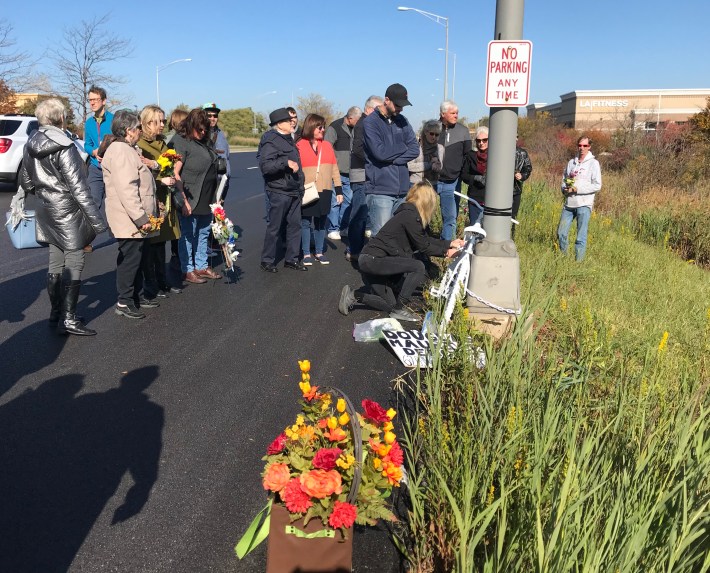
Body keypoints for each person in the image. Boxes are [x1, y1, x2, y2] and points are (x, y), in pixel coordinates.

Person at [18, 98, 107, 335]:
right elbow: (79, 188)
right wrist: (97, 222)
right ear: (60, 118)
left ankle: (56, 314)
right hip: (68, 211)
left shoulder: (30, 144)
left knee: (55, 260)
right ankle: (69, 319)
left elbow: (26, 182)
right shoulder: (65, 146)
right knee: (75, 260)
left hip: (46, 209)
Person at [338, 182, 464, 322]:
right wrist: (447, 252)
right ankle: (400, 309)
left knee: (390, 305)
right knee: (418, 266)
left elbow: (425, 240)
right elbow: (424, 246)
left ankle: (353, 296)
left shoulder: (409, 214)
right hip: (373, 261)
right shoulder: (409, 216)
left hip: (372, 262)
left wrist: (450, 243)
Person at [101, 110, 158, 319]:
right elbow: (127, 189)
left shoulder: (127, 149)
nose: (140, 132)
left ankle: (135, 296)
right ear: (128, 130)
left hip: (132, 218)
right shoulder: (121, 151)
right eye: (138, 128)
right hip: (128, 219)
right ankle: (124, 302)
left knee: (137, 258)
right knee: (130, 260)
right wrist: (141, 218)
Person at [171, 108, 223, 283]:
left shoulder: (204, 140)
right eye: (199, 129)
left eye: (204, 129)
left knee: (203, 233)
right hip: (190, 197)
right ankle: (188, 268)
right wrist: (183, 200)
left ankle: (201, 265)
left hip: (207, 196)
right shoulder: (181, 141)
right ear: (191, 124)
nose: (202, 132)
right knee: (188, 234)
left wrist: (216, 198)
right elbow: (175, 173)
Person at [136, 105, 182, 299]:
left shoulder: (162, 144)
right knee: (150, 247)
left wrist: (169, 175)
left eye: (163, 120)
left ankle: (162, 282)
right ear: (148, 123)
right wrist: (159, 178)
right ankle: (151, 285)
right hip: (150, 200)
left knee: (161, 242)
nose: (163, 124)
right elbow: (137, 176)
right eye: (159, 121)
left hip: (165, 198)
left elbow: (167, 167)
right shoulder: (141, 145)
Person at [363, 83, 419, 237]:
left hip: (401, 189)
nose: (401, 108)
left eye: (403, 105)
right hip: (380, 190)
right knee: (381, 237)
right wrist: (402, 146)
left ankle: (393, 262)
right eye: (398, 105)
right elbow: (380, 153)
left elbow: (415, 149)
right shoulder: (370, 123)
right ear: (386, 100)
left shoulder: (403, 120)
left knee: (398, 237)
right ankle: (374, 262)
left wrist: (394, 160)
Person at [259, 107, 306, 273]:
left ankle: (291, 259)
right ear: (279, 124)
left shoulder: (289, 139)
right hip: (279, 191)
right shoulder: (271, 140)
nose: (292, 122)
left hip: (293, 190)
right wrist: (285, 163)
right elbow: (266, 167)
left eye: (293, 120)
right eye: (288, 120)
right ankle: (267, 260)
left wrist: (300, 186)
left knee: (295, 226)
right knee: (275, 227)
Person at [297, 114, 342, 265]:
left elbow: (335, 168)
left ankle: (319, 252)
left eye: (324, 127)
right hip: (307, 190)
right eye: (320, 127)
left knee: (321, 223)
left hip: (325, 190)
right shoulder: (299, 145)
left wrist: (339, 190)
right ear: (311, 127)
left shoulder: (327, 146)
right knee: (305, 222)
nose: (323, 130)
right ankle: (306, 253)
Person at [345, 95, 382, 263]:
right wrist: (377, 157)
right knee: (359, 213)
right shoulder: (362, 124)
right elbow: (358, 150)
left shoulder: (369, 124)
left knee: (365, 213)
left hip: (367, 173)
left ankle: (358, 247)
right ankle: (353, 249)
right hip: (361, 174)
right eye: (379, 109)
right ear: (369, 109)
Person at [557, 135, 602, 261]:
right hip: (569, 204)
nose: (582, 148)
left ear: (589, 147)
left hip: (584, 204)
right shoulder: (572, 162)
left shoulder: (594, 163)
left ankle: (578, 263)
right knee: (561, 233)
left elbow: (597, 185)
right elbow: (564, 179)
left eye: (585, 146)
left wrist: (578, 189)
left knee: (580, 237)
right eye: (580, 145)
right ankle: (563, 259)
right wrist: (564, 189)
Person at [436, 101, 471, 240]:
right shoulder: (431, 128)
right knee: (422, 214)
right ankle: (423, 246)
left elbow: (467, 156)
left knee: (450, 217)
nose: (456, 116)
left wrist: (461, 174)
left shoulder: (463, 131)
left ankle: (447, 248)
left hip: (452, 181)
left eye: (457, 113)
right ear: (443, 114)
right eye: (453, 113)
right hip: (432, 180)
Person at [325, 106, 361, 240]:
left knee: (348, 201)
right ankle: (333, 228)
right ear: (350, 118)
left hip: (351, 172)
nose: (359, 123)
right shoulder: (334, 127)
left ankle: (343, 227)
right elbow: (327, 147)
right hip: (337, 172)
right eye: (357, 120)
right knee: (335, 201)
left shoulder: (357, 128)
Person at [83, 85, 114, 228]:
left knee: (114, 203)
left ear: (104, 101)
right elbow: (86, 145)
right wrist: (94, 152)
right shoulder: (89, 123)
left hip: (113, 169)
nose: (92, 103)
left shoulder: (113, 120)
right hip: (96, 168)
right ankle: (87, 239)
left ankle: (119, 237)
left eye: (96, 99)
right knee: (93, 203)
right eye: (90, 100)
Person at [461, 126, 489, 225]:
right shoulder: (470, 156)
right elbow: (464, 175)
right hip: (475, 197)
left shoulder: (496, 156)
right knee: (475, 226)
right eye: (478, 140)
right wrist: (476, 178)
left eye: (484, 140)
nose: (481, 143)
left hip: (491, 197)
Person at [203, 102, 231, 200]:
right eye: (209, 115)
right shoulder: (200, 134)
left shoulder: (221, 134)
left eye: (215, 115)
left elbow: (226, 156)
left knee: (218, 211)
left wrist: (226, 177)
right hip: (208, 182)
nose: (212, 118)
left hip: (222, 181)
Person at [408, 120, 444, 185]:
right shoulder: (416, 147)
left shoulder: (440, 148)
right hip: (415, 184)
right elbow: (409, 166)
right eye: (431, 133)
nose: (434, 137)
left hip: (432, 184)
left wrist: (437, 164)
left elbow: (440, 167)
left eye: (437, 135)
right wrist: (429, 164)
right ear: (425, 132)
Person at [512, 137, 533, 230]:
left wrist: (522, 175)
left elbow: (528, 168)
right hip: (500, 191)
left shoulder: (522, 153)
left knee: (513, 216)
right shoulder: (498, 151)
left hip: (515, 190)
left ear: (516, 139)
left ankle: (511, 237)